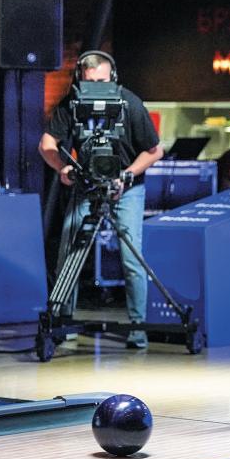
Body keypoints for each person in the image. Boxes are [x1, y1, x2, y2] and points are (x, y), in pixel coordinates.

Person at [38, 51, 163, 349]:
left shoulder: (130, 103)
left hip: (127, 188)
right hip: (86, 185)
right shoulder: (71, 103)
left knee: (131, 258)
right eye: (90, 81)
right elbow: (47, 144)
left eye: (102, 81)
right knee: (70, 253)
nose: (96, 87)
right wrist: (63, 168)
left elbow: (155, 150)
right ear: (80, 79)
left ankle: (138, 328)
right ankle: (63, 323)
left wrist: (127, 176)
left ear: (113, 78)